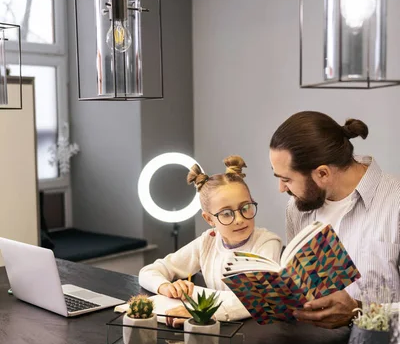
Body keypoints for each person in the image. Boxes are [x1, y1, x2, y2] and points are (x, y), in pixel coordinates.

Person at [269, 111, 400, 329]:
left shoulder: (395, 203)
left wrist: (359, 310)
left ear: (322, 174)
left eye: (286, 179)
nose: (281, 189)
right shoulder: (297, 207)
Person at [139, 156, 282, 326]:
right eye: (226, 213)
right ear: (209, 219)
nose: (239, 219)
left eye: (245, 208)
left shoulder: (267, 243)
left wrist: (201, 310)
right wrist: (165, 286)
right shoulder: (207, 241)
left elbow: (258, 299)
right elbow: (149, 271)